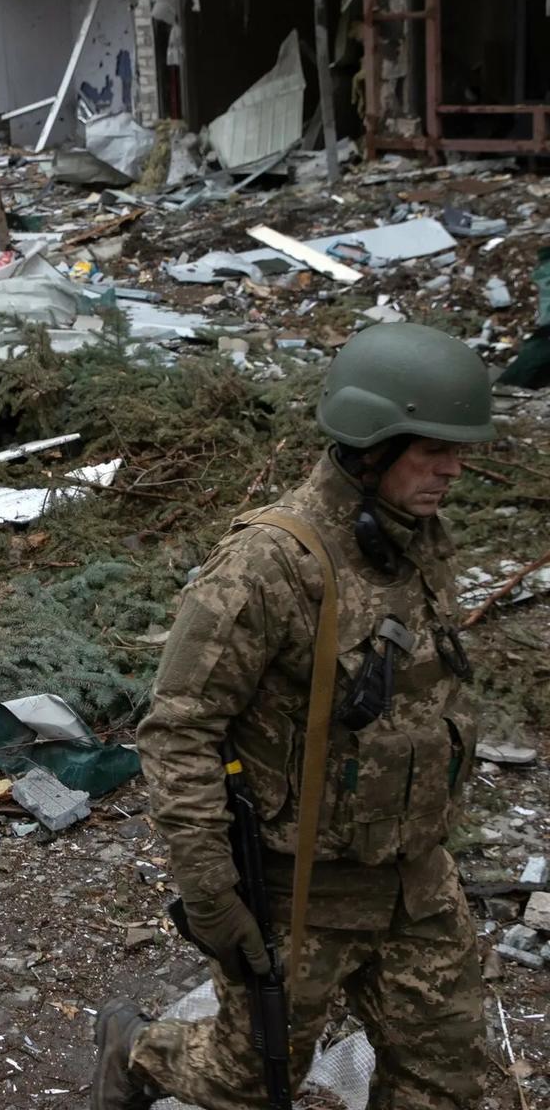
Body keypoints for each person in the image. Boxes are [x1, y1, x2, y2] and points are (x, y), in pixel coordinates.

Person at [92, 322, 494, 1110]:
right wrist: (212, 895)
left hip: (416, 883)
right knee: (242, 1078)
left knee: (445, 1081)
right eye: (432, 448)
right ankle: (134, 1051)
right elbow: (180, 729)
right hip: (302, 894)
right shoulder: (269, 564)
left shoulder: (416, 538)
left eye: (458, 449)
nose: (454, 467)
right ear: (369, 444)